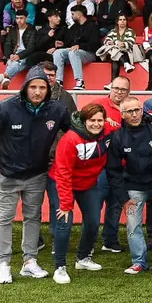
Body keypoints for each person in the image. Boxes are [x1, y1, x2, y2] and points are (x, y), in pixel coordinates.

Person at [0, 65, 71, 284]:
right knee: (5, 218)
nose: (37, 91)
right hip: (7, 175)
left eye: (42, 87)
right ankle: (4, 263)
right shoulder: (5, 108)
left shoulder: (57, 110)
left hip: (37, 174)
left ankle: (30, 261)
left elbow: (75, 131)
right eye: (33, 87)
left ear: (48, 88)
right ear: (25, 88)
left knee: (33, 218)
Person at [108, 96, 152, 275]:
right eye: (129, 111)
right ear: (122, 114)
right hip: (133, 185)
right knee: (133, 224)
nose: (134, 114)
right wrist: (123, 198)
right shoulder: (118, 137)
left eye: (137, 110)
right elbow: (113, 170)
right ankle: (138, 261)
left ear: (142, 110)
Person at [48, 103, 110, 284]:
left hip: (87, 184)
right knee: (64, 223)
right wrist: (66, 204)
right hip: (62, 182)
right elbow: (63, 173)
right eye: (92, 120)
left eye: (100, 120)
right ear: (84, 121)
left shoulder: (107, 135)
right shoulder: (70, 139)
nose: (96, 124)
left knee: (92, 222)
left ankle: (82, 258)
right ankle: (60, 267)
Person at [53, 4, 100, 90]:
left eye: (73, 14)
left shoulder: (93, 26)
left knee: (73, 52)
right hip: (74, 52)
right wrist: (63, 45)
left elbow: (95, 45)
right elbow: (70, 42)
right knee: (58, 53)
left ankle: (80, 81)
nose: (72, 16)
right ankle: (58, 81)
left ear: (79, 15)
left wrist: (80, 46)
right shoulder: (74, 27)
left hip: (90, 53)